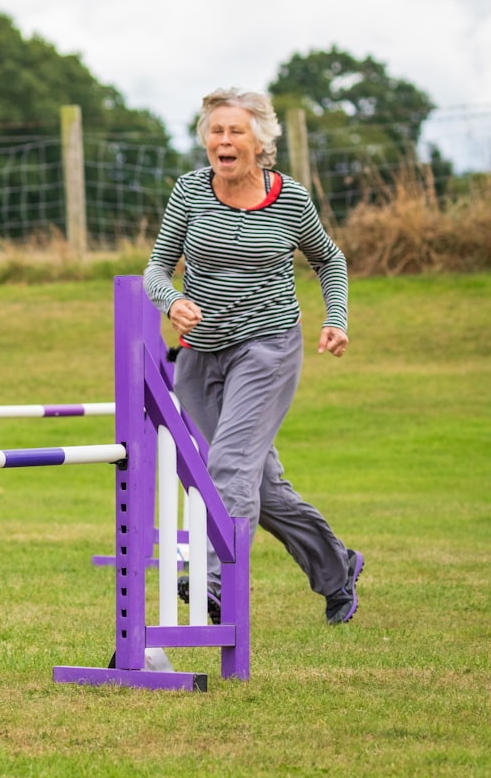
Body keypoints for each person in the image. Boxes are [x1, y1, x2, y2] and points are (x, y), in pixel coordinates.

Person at [143, 87, 363, 625]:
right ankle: (338, 568)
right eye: (216, 131)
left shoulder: (290, 199)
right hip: (200, 357)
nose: (223, 140)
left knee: (230, 465)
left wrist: (336, 318)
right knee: (259, 484)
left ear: (259, 140)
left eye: (235, 130)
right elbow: (155, 271)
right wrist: (173, 303)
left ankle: (215, 581)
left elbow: (329, 262)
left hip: (268, 348)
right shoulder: (190, 192)